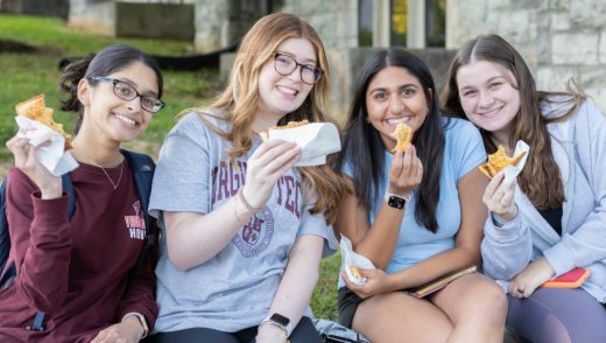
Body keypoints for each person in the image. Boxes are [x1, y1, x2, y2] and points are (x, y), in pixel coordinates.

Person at [145, 13, 346, 343]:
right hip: (194, 315)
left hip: (274, 312)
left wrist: (277, 326)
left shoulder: (313, 149)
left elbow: (305, 257)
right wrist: (246, 201)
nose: (297, 76)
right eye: (284, 61)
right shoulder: (197, 134)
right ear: (253, 60)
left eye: (309, 68)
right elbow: (182, 251)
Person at [334, 47, 507, 343]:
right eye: (380, 96)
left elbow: (469, 250)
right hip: (371, 291)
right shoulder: (350, 154)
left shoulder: (460, 137)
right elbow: (364, 268)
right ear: (366, 110)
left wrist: (395, 281)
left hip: (451, 276)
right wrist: (397, 195)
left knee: (490, 299)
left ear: (428, 98)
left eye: (407, 92)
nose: (396, 107)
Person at [441, 34, 606, 342]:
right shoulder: (468, 157)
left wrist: (551, 262)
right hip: (535, 290)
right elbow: (503, 270)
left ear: (519, 79)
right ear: (460, 101)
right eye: (470, 92)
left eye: (495, 84)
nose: (485, 101)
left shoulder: (575, 118)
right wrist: (505, 220)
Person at [0, 44, 164, 342]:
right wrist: (51, 194)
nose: (135, 107)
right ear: (85, 91)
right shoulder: (34, 175)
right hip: (26, 334)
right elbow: (42, 297)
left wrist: (133, 324)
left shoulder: (144, 176)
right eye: (124, 89)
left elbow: (142, 273)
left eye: (148, 100)